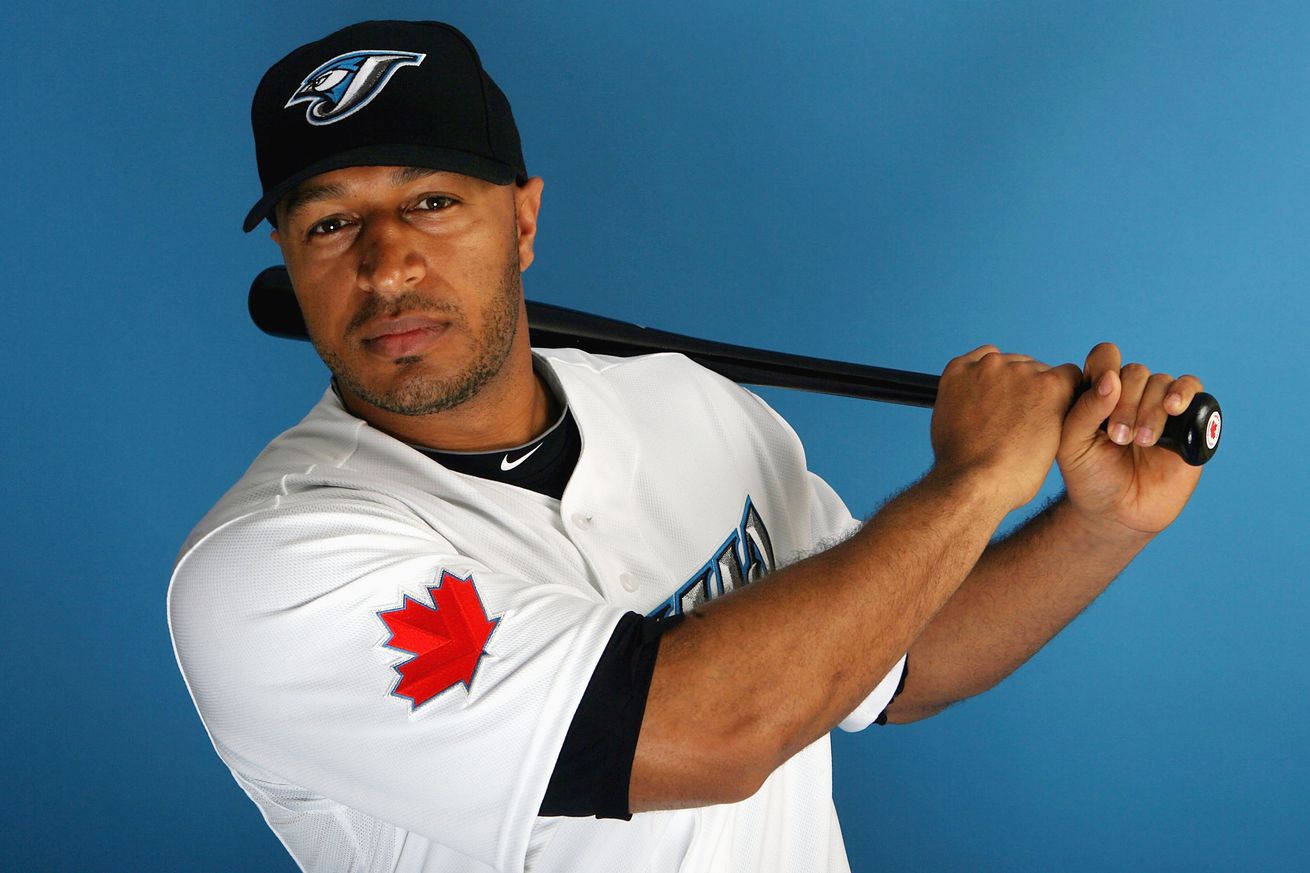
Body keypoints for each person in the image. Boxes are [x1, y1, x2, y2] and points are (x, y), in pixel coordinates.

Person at [168, 20, 1207, 873]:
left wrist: (1099, 525)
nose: (387, 266)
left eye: (432, 203)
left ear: (522, 223)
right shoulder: (270, 571)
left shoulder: (687, 405)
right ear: (290, 263)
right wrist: (975, 481)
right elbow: (706, 736)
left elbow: (894, 655)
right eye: (329, 225)